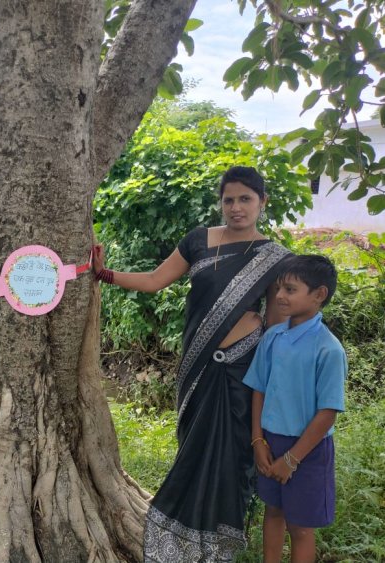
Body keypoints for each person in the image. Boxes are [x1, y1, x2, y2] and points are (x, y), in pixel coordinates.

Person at [93, 166, 291, 561]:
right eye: (229, 199)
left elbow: (276, 325)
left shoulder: (276, 258)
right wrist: (104, 274)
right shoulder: (198, 241)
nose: (236, 208)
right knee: (194, 452)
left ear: (262, 203)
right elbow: (153, 280)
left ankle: (218, 548)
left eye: (245, 199)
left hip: (242, 369)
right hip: (197, 366)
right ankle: (177, 544)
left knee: (232, 456)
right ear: (221, 202)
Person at [243, 255, 346, 562]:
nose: (279, 296)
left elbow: (327, 412)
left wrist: (292, 459)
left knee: (300, 528)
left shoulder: (329, 349)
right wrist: (258, 441)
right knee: (273, 512)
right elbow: (259, 389)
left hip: (308, 450)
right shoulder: (273, 337)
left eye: (290, 289)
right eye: (279, 288)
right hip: (271, 442)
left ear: (319, 295)